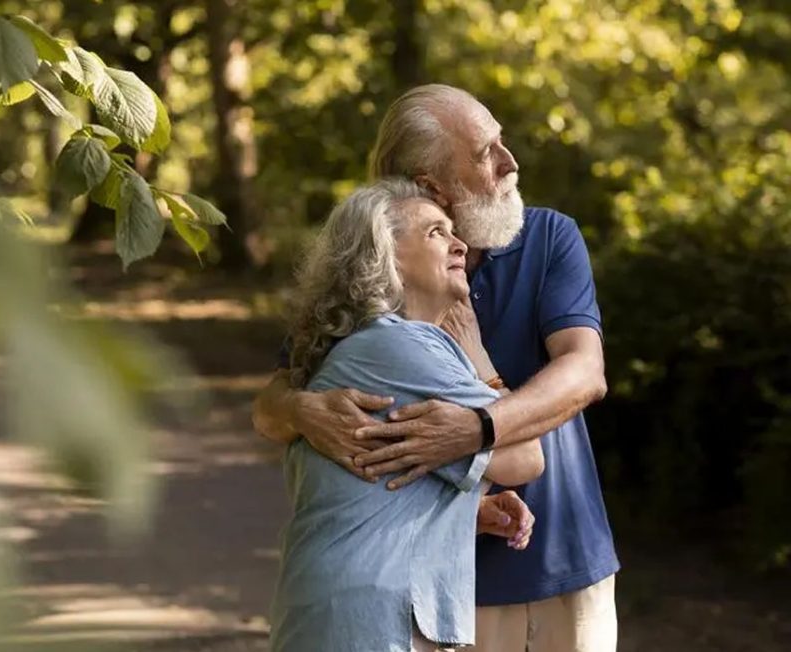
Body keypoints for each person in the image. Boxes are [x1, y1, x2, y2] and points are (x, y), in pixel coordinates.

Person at [254, 85, 618, 652]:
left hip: (563, 561)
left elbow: (585, 373)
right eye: (485, 152)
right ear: (430, 186)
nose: (510, 162)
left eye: (501, 142)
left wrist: (475, 429)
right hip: (436, 588)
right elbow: (272, 404)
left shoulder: (547, 237)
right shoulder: (373, 283)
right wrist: (302, 411)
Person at [270, 178, 544, 652]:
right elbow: (525, 457)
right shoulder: (401, 346)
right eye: (437, 232)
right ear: (387, 254)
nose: (461, 244)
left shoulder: (364, 347)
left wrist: (463, 512)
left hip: (343, 612)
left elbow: (366, 494)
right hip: (372, 620)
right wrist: (480, 358)